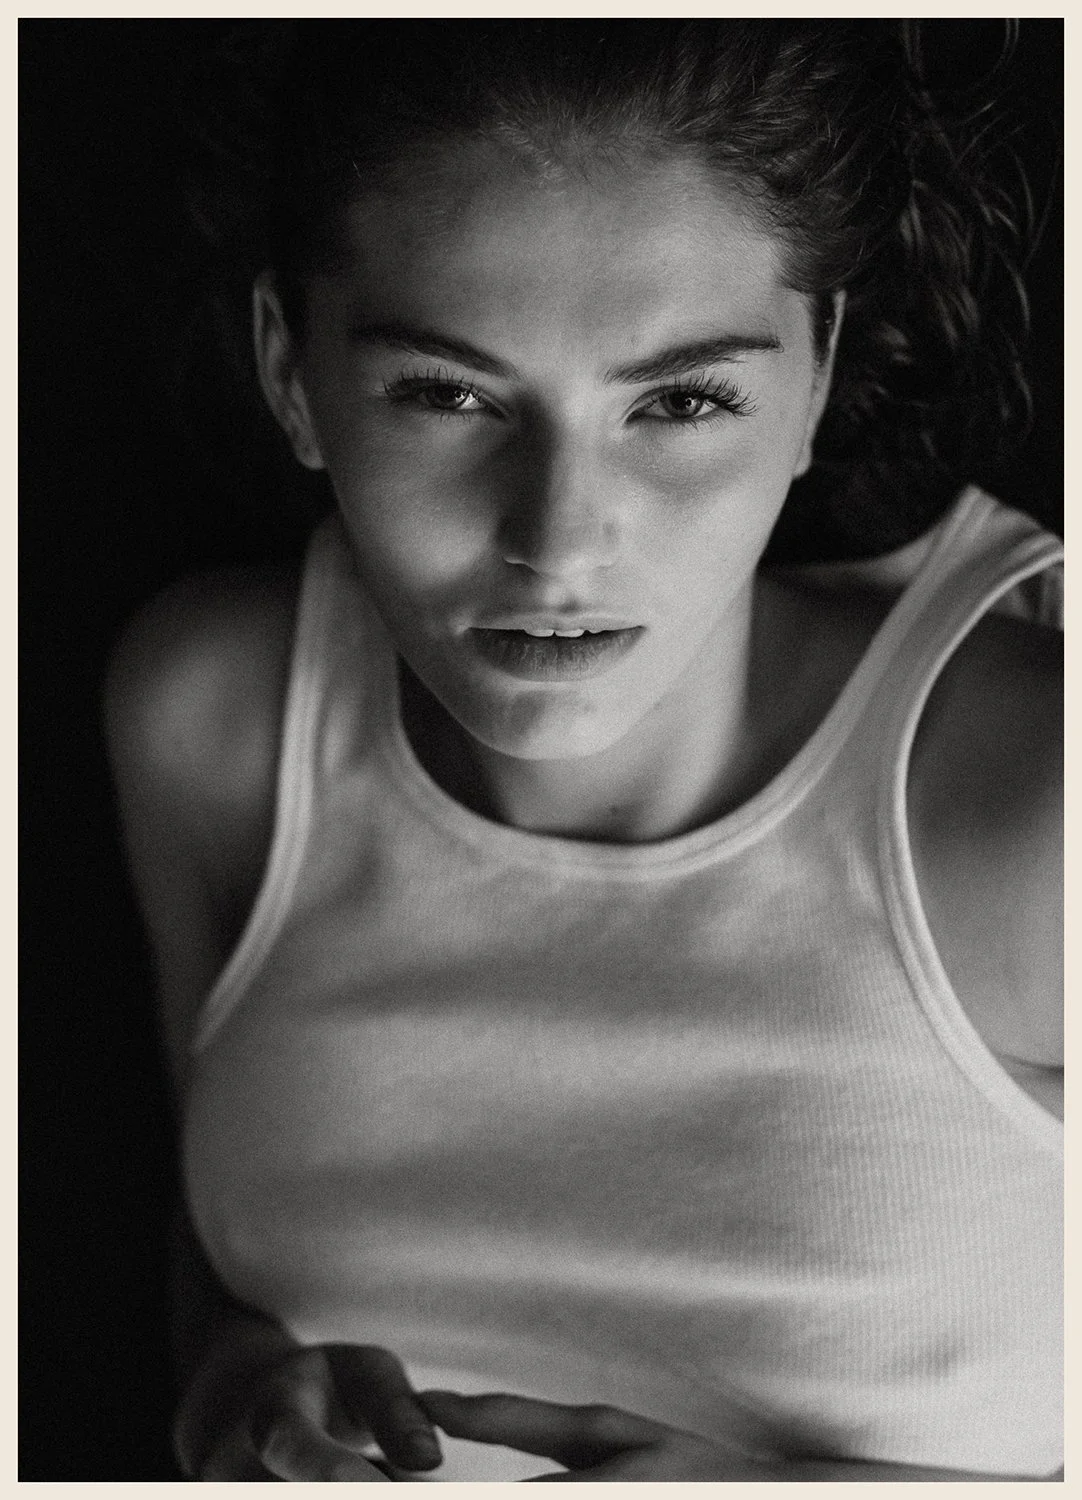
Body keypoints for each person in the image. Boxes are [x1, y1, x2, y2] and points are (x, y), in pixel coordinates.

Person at [105, 20, 1062, 1482]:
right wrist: (237, 1385)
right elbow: (224, 1256)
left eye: (678, 402)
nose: (555, 542)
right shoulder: (217, 719)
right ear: (289, 372)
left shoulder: (1037, 814)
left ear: (812, 378)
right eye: (445, 393)